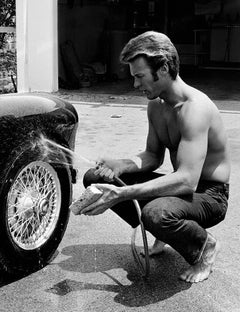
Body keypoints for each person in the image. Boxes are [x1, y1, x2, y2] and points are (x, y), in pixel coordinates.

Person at [79, 31, 230, 283]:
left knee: (156, 214)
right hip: (180, 185)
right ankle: (167, 230)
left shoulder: (195, 109)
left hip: (209, 194)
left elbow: (187, 181)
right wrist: (120, 165)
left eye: (140, 76)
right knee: (95, 178)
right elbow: (152, 156)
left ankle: (204, 246)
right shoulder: (156, 105)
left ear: (162, 69)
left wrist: (123, 193)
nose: (135, 85)